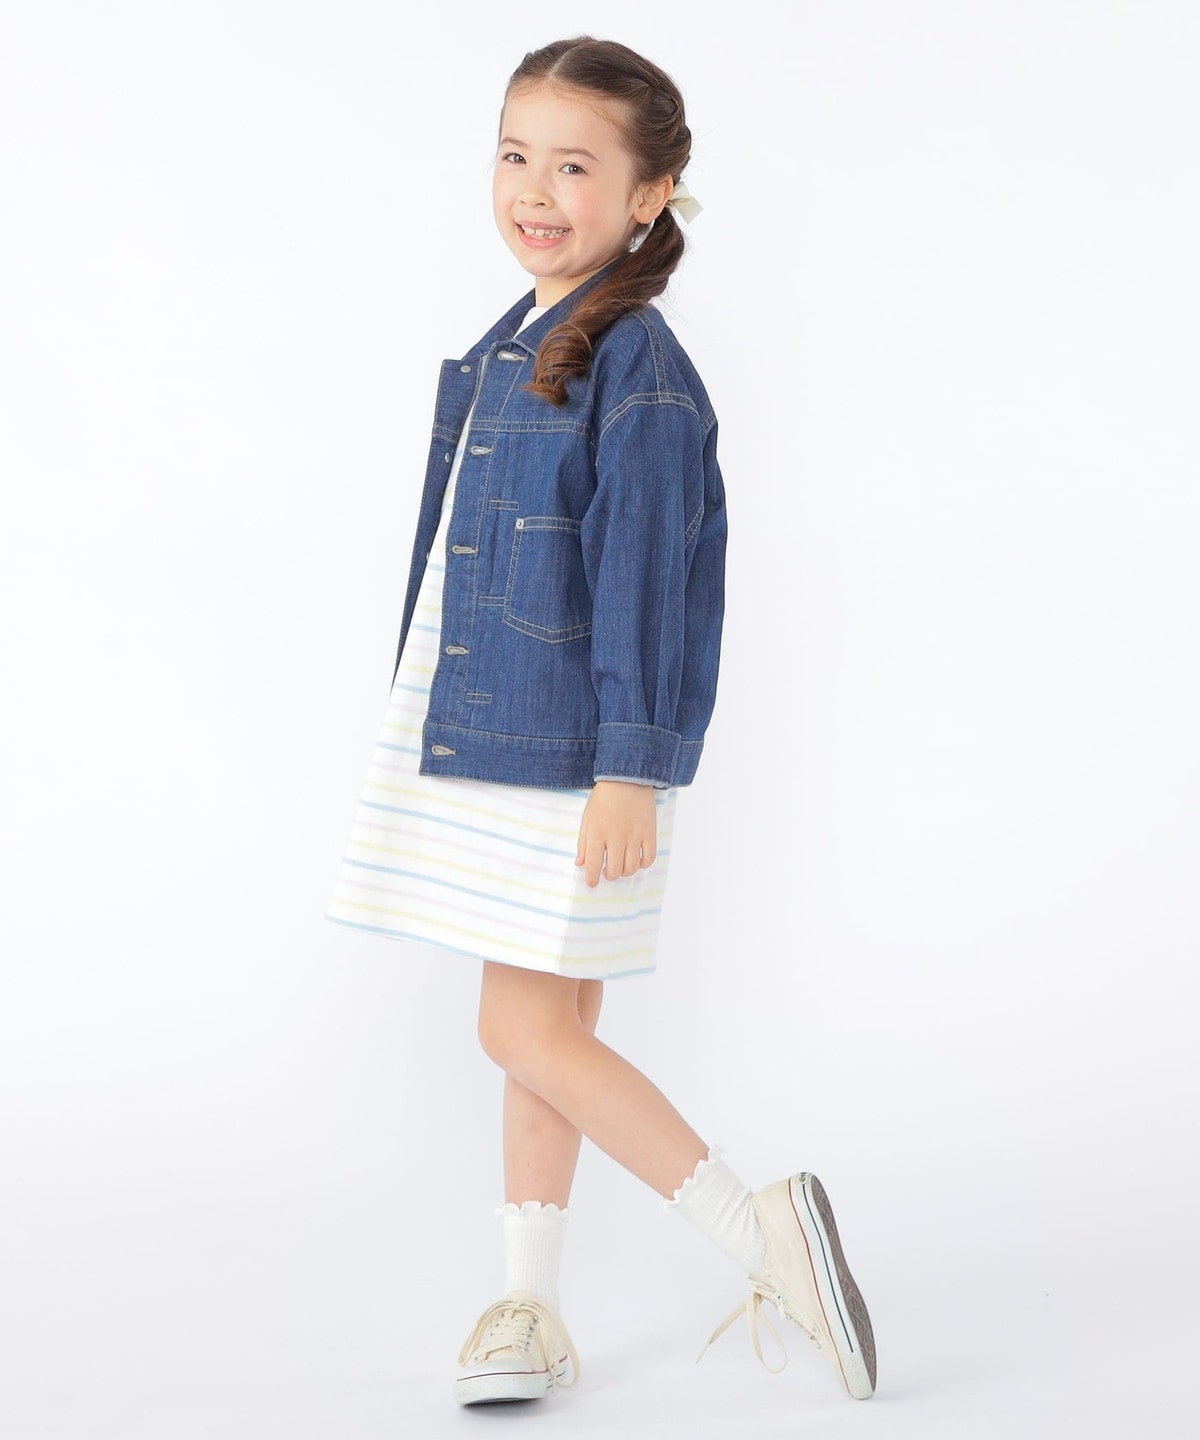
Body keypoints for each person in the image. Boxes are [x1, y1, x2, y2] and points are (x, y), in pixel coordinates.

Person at [324, 34, 877, 1407]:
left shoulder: (640, 375)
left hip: (563, 760)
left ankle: (762, 1231)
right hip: (496, 739)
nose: (534, 188)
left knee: (519, 1032)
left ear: (650, 194)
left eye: (574, 166)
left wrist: (632, 769)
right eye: (515, 155)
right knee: (550, 1025)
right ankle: (529, 1305)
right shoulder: (512, 347)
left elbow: (650, 588)